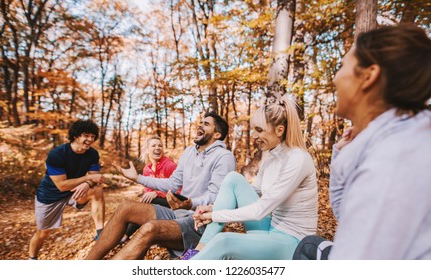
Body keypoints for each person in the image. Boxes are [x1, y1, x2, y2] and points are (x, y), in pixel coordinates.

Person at [294, 23, 431, 260]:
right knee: (310, 245)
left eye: (342, 66)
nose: (335, 78)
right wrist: (341, 155)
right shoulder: (394, 142)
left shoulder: (394, 162)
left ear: (369, 76)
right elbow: (346, 216)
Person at [85, 111, 236, 260]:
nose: (200, 125)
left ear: (217, 135)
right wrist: (137, 178)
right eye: (201, 122)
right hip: (177, 214)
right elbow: (172, 183)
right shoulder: (189, 151)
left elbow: (217, 197)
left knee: (150, 228)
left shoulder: (224, 157)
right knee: (126, 206)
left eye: (206, 124)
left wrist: (190, 204)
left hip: (199, 223)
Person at [183, 96, 318, 260]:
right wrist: (213, 207)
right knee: (233, 179)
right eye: (254, 130)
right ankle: (198, 251)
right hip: (270, 229)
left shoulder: (297, 159)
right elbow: (254, 192)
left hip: (292, 242)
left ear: (280, 130)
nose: (254, 135)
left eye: (259, 130)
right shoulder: (271, 159)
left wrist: (214, 215)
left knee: (224, 240)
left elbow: (260, 210)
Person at [28, 119, 106, 260]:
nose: (90, 139)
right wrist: (86, 179)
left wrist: (88, 184)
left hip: (74, 192)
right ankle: (32, 258)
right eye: (86, 135)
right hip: (49, 196)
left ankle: (101, 233)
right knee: (43, 233)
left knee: (97, 190)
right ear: (76, 136)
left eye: (93, 137)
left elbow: (95, 179)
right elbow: (62, 185)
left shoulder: (93, 154)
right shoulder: (57, 154)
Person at [121, 135, 178, 242]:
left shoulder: (170, 166)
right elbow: (147, 191)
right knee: (142, 204)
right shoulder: (146, 169)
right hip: (158, 203)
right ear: (147, 150)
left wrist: (157, 193)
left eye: (160, 146)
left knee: (150, 201)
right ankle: (122, 233)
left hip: (174, 203)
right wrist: (150, 195)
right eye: (154, 146)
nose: (158, 148)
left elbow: (178, 190)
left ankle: (125, 234)